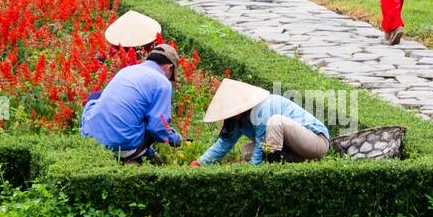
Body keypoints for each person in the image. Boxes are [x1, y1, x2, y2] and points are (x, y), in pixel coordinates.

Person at [80, 43, 184, 164]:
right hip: (120, 145)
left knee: (98, 97)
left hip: (90, 139)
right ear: (169, 67)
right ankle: (134, 156)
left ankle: (146, 153)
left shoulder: (127, 70)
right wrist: (175, 138)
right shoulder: (162, 82)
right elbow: (158, 127)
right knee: (151, 121)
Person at [193, 79, 330, 165]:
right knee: (247, 151)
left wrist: (253, 171)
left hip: (316, 142)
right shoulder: (238, 119)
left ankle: (272, 171)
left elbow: (261, 143)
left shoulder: (262, 107)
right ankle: (300, 162)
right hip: (294, 149)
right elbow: (224, 143)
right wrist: (200, 163)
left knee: (276, 122)